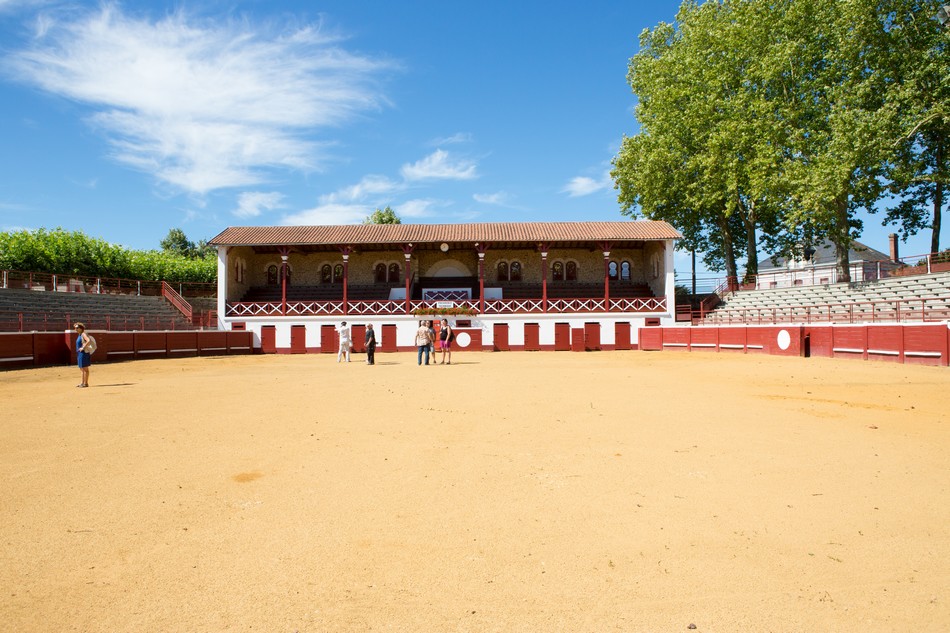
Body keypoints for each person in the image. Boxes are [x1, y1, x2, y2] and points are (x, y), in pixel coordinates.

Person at [74, 322, 92, 388]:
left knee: (85, 369)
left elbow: (88, 340)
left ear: (81, 328)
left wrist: (83, 347)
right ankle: (82, 383)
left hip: (84, 353)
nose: (75, 329)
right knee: (82, 369)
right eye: (75, 328)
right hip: (80, 353)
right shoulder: (80, 335)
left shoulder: (83, 334)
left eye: (77, 328)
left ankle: (85, 383)